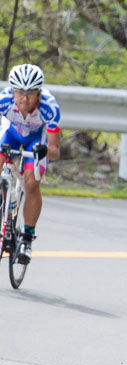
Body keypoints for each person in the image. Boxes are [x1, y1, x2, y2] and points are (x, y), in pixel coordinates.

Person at [0, 64, 61, 264]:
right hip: (11, 134)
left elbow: (55, 151)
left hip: (37, 141)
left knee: (32, 183)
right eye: (19, 93)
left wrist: (44, 151)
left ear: (39, 93)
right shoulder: (4, 100)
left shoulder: (49, 108)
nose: (24, 99)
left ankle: (27, 237)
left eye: (30, 94)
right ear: (12, 91)